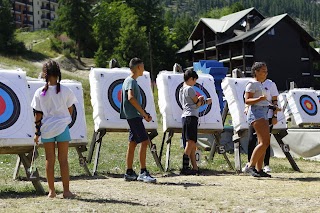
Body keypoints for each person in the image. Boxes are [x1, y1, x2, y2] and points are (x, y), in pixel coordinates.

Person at [31, 60, 77, 198]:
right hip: (62, 128)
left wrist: (37, 133)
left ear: (44, 74)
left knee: (49, 160)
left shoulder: (39, 92)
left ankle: (51, 191)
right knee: (63, 160)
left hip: (47, 129)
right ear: (58, 73)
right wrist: (61, 120)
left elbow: (38, 115)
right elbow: (70, 109)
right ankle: (66, 191)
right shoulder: (66, 90)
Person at [120, 57, 156, 183]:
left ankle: (129, 172)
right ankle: (143, 172)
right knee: (145, 141)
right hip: (134, 117)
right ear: (139, 68)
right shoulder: (131, 81)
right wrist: (143, 113)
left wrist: (143, 113)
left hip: (133, 116)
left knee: (133, 143)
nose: (144, 69)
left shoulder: (128, 81)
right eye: (143, 66)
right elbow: (131, 98)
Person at [244, 62, 280, 178]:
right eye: (263, 71)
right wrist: (259, 99)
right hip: (256, 113)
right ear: (256, 72)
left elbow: (270, 100)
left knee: (263, 142)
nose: (266, 73)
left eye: (266, 71)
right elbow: (247, 101)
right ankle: (251, 166)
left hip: (264, 112)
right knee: (264, 142)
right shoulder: (252, 84)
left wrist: (274, 108)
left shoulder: (264, 84)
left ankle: (259, 169)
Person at [179, 68, 212, 175]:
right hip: (191, 117)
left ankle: (194, 167)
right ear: (191, 78)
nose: (195, 82)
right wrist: (204, 100)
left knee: (192, 143)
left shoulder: (181, 89)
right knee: (191, 141)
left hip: (186, 116)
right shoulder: (190, 89)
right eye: (194, 80)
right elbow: (197, 103)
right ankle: (185, 167)